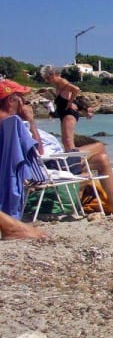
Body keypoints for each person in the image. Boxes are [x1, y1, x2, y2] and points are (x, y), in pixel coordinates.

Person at [0, 79, 48, 240]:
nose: (24, 101)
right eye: (21, 97)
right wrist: (31, 121)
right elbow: (38, 152)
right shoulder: (14, 123)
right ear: (11, 100)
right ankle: (12, 228)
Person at [39, 64, 92, 151]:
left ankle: (79, 157)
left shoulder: (62, 82)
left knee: (68, 141)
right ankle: (72, 157)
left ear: (53, 74)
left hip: (69, 114)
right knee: (65, 141)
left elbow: (76, 89)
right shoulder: (57, 84)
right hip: (64, 114)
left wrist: (70, 102)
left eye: (47, 78)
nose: (47, 80)